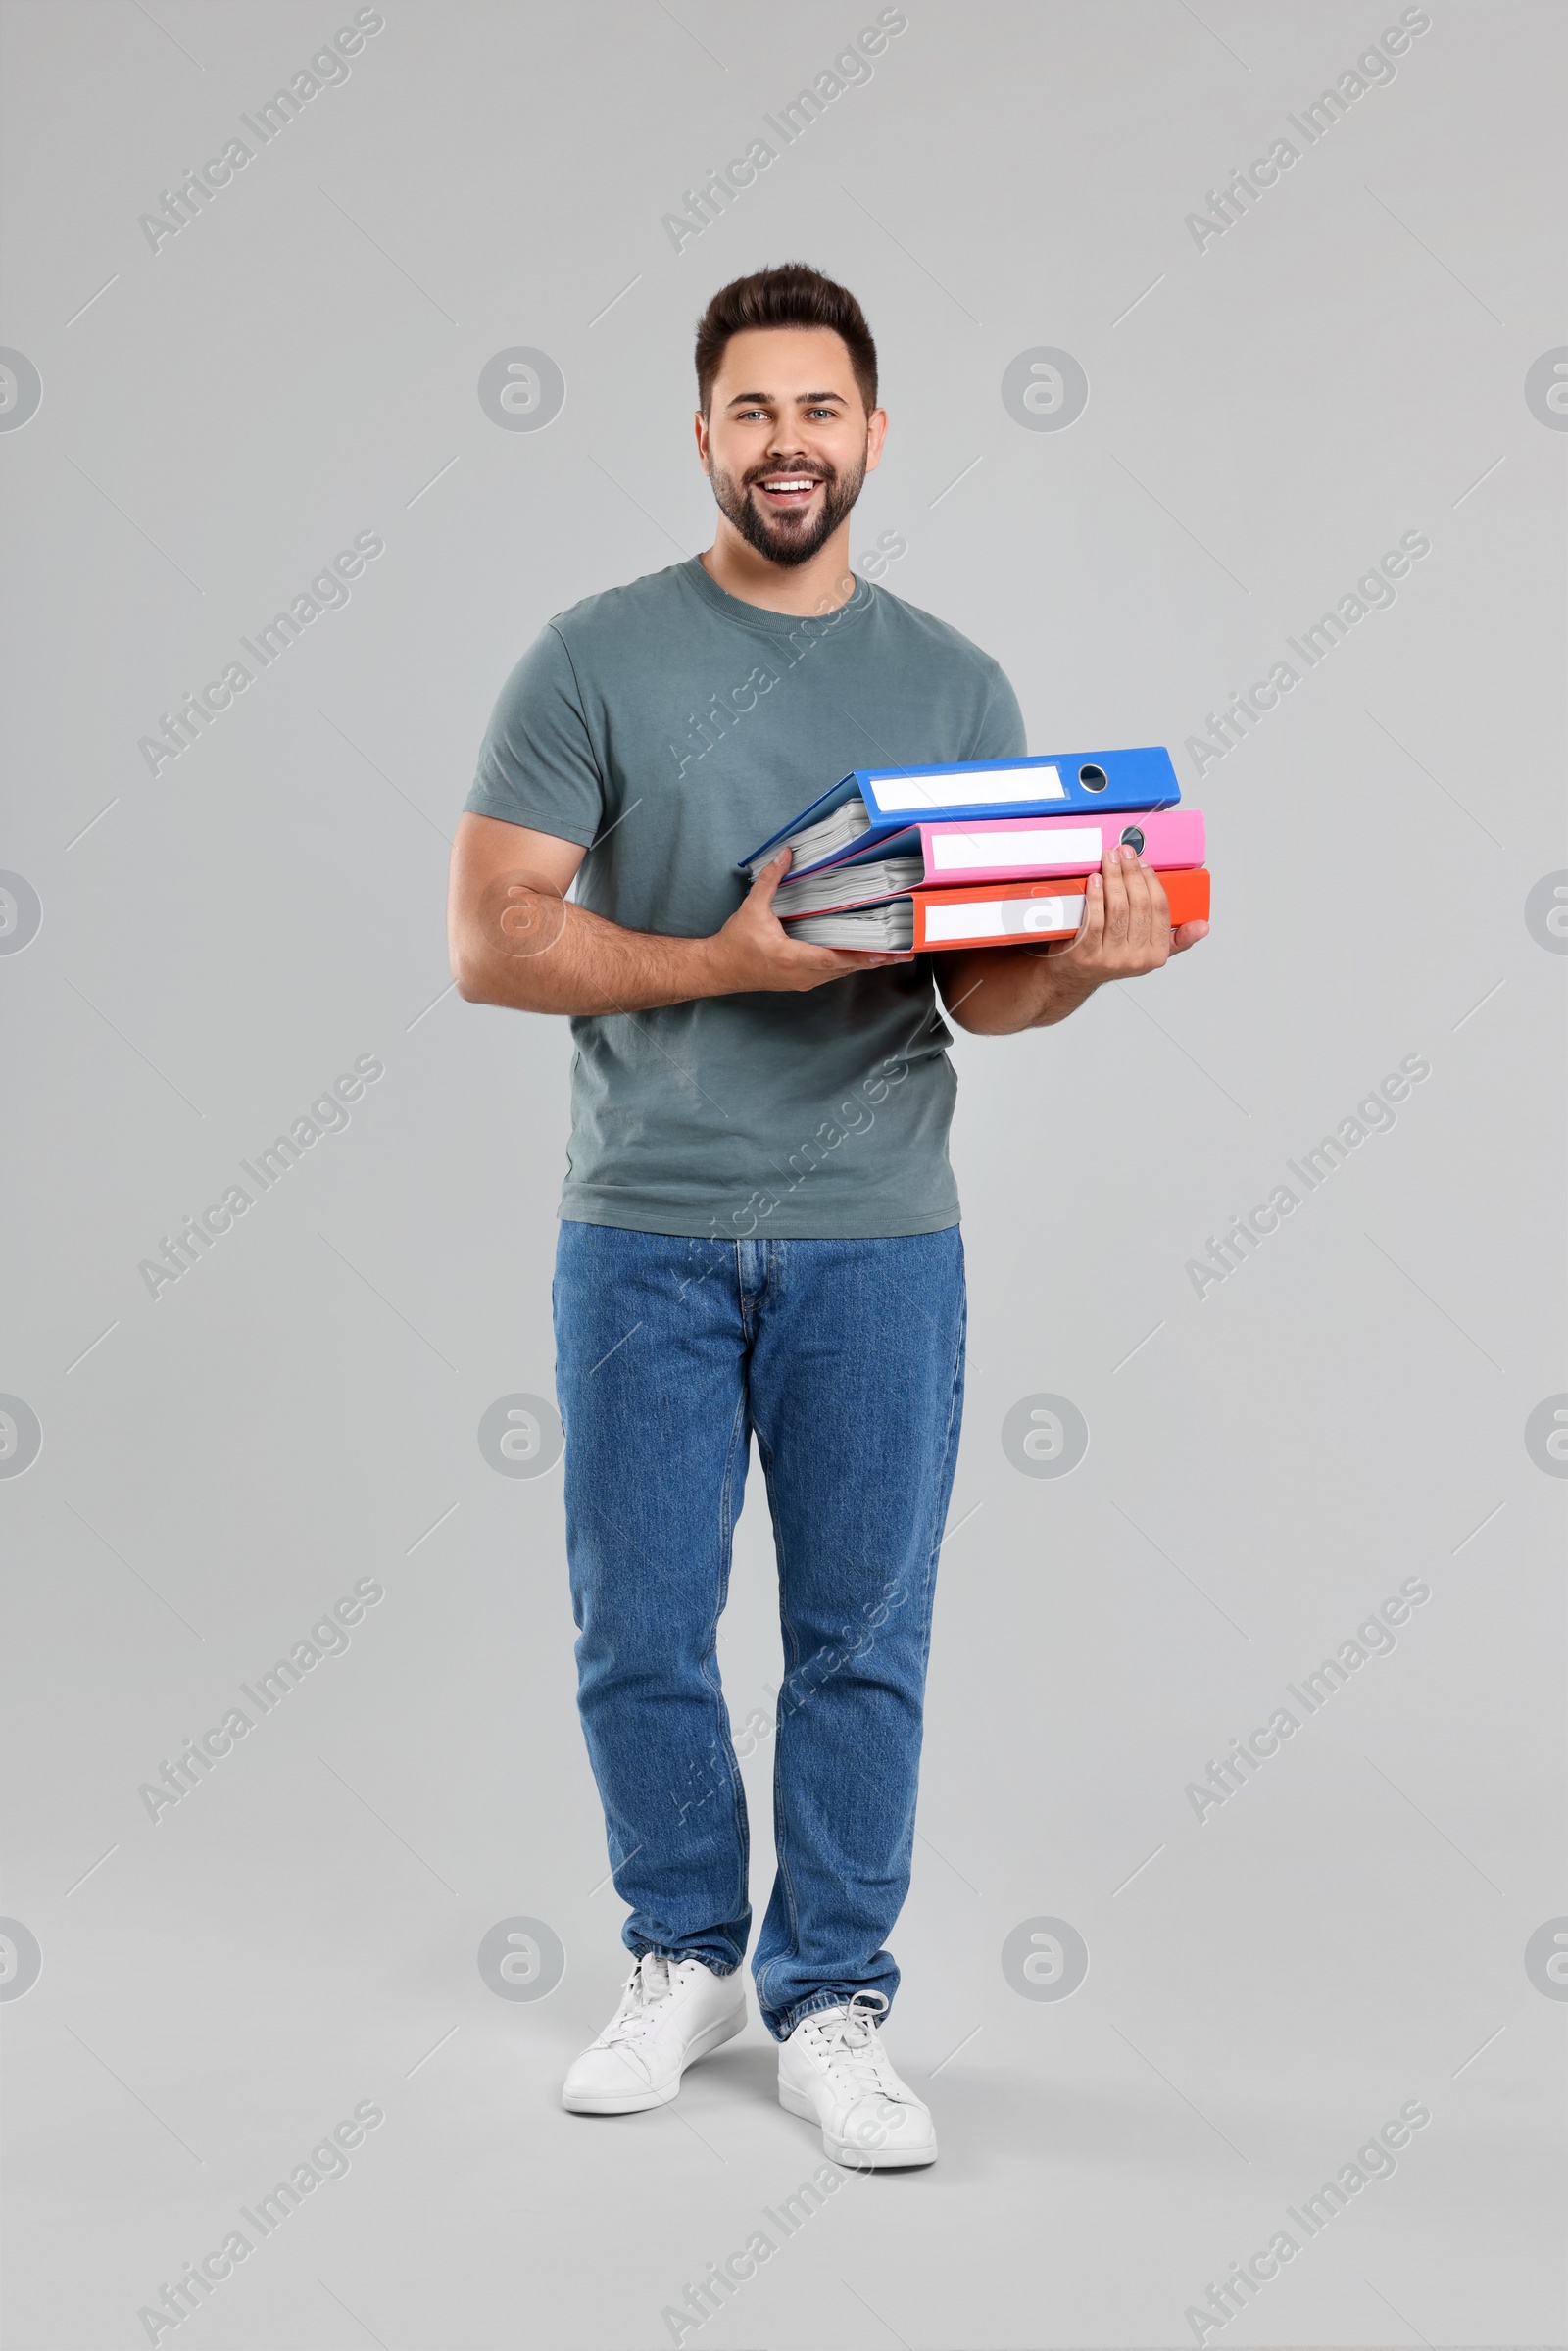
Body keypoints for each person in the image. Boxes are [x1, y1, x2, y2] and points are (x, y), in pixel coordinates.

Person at [448, 263, 1205, 2169]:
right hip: (641, 1225)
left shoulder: (951, 688)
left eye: (820, 411)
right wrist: (728, 957)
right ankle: (678, 1952)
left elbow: (981, 994)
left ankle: (832, 2000)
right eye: (751, 412)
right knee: (638, 1623)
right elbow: (494, 939)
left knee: (859, 1638)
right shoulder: (589, 657)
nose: (787, 445)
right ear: (701, 435)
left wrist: (1093, 965)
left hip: (878, 1234)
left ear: (872, 433)